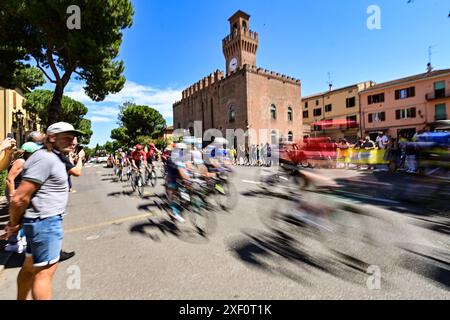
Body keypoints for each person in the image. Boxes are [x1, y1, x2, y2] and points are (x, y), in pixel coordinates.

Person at [0, 122, 84, 300]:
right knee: (45, 272)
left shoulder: (56, 157)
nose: (73, 141)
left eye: (74, 137)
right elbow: (20, 197)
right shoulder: (45, 158)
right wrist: (13, 224)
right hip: (45, 223)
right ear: (52, 138)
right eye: (67, 137)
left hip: (41, 222)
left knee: (30, 267)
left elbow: (75, 172)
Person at [4, 142, 42, 253]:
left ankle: (18, 240)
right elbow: (9, 178)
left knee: (20, 217)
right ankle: (13, 243)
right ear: (28, 153)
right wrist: (12, 194)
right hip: (15, 192)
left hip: (18, 192)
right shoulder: (21, 162)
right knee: (17, 218)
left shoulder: (24, 161)